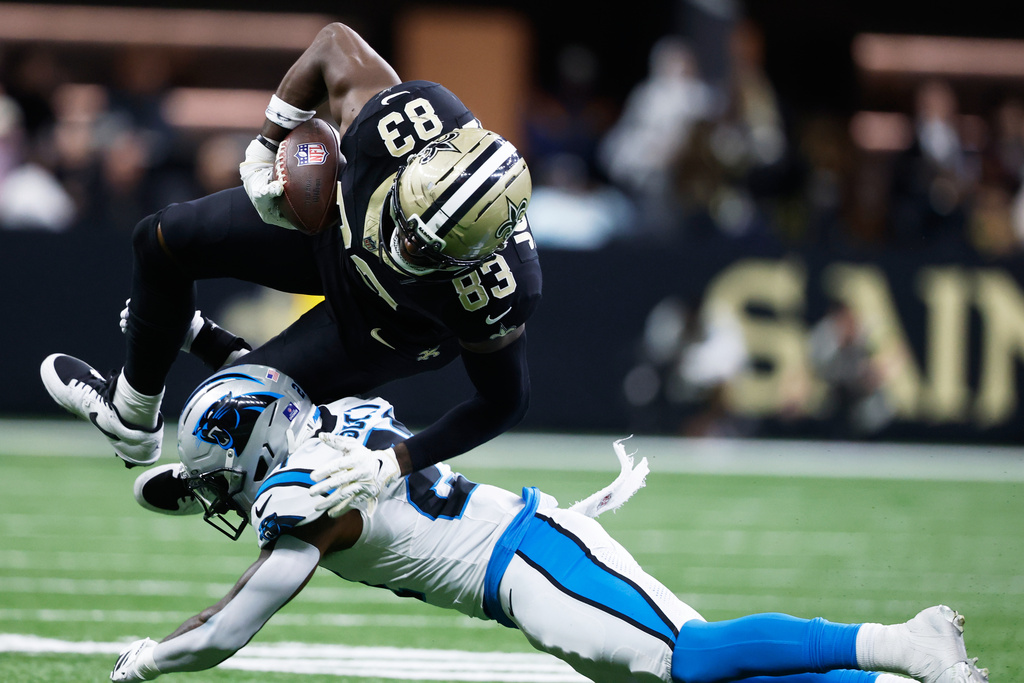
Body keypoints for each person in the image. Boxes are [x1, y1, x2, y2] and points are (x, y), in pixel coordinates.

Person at [111, 362, 989, 683]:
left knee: (691, 655)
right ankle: (894, 678)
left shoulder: (309, 502)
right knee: (699, 677)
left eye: (227, 478)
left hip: (529, 557)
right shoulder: (334, 419)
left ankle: (904, 641)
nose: (228, 496)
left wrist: (147, 657)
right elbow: (267, 378)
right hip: (518, 569)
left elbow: (229, 628)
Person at [39, 22, 540, 484]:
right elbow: (333, 43)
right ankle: (131, 412)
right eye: (405, 225)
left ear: (481, 254)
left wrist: (396, 462)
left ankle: (247, 434)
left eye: (427, 251)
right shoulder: (402, 124)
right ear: (415, 165)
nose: (402, 248)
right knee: (164, 237)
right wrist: (267, 142)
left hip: (384, 325)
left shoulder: (499, 289)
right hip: (333, 229)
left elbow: (503, 401)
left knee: (239, 411)